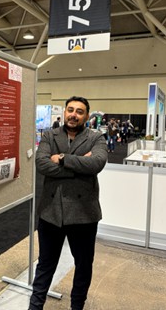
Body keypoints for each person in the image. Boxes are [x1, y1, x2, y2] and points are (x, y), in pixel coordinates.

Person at [29, 96, 108, 310]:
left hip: (84, 214)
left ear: (86, 116)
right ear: (64, 112)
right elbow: (42, 164)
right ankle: (34, 307)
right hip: (51, 212)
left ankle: (77, 307)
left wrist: (62, 158)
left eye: (79, 111)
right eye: (70, 110)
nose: (74, 114)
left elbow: (97, 163)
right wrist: (79, 167)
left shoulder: (96, 137)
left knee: (83, 266)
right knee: (45, 265)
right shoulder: (49, 135)